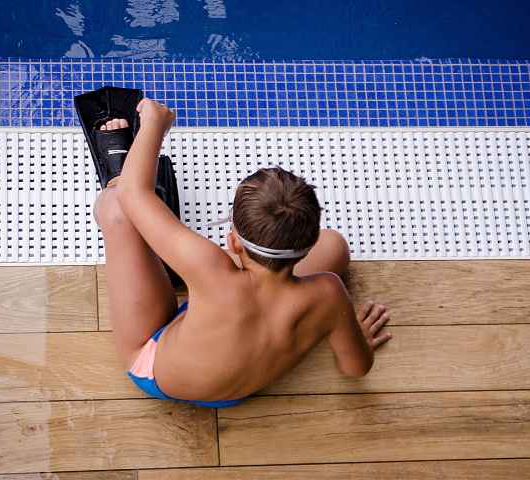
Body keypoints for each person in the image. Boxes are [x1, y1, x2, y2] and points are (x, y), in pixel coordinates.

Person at [93, 98, 392, 407]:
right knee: (336, 246)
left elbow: (132, 193)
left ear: (234, 242)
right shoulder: (330, 293)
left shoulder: (210, 267)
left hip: (158, 371)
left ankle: (146, 228)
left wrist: (154, 124)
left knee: (117, 208)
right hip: (237, 388)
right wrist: (357, 338)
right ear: (306, 247)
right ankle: (165, 257)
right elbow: (356, 368)